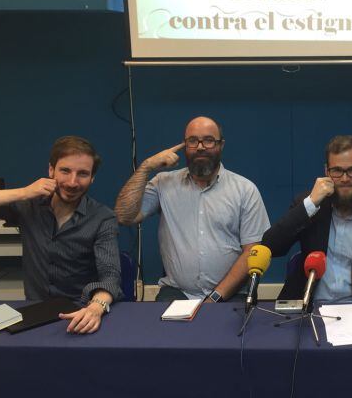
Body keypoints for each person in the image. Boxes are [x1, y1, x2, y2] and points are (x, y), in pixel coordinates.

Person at [0, 136, 122, 334]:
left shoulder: (103, 218)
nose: (72, 182)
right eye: (65, 171)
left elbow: (110, 275)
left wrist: (96, 307)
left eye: (82, 174)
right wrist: (23, 193)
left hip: (81, 312)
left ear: (92, 178)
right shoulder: (28, 205)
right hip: (35, 312)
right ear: (51, 170)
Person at [114, 116, 270, 303]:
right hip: (177, 292)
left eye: (209, 140)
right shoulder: (163, 183)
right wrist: (146, 167)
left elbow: (252, 251)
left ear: (221, 145)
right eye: (193, 141)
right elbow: (124, 216)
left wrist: (215, 297)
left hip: (232, 294)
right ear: (184, 145)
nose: (201, 146)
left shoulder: (245, 190)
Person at [262, 135, 352, 303]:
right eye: (337, 171)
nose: (344, 179)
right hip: (310, 307)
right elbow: (271, 246)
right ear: (326, 171)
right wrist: (310, 204)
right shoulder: (311, 205)